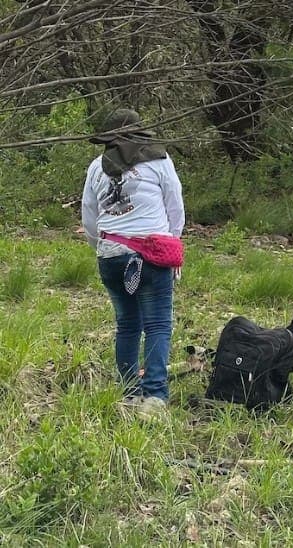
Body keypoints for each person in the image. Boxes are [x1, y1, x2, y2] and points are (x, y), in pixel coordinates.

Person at [81, 108, 184, 419]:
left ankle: (127, 394)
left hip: (111, 253)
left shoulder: (97, 167)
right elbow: (175, 206)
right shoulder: (160, 160)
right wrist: (173, 243)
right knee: (157, 325)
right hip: (151, 253)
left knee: (127, 324)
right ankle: (154, 398)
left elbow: (89, 215)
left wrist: (101, 246)